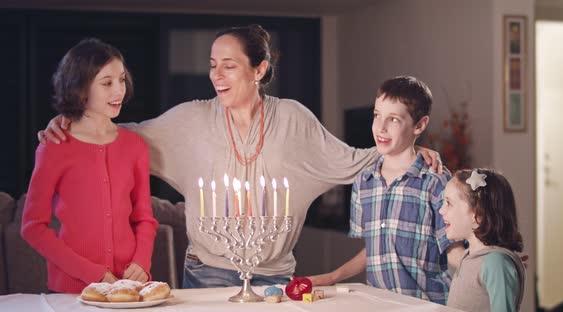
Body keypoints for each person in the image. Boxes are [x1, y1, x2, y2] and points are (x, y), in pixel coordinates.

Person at [37, 25, 443, 289]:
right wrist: (68, 123)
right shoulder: (190, 120)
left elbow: (355, 161)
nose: (216, 75)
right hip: (205, 273)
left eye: (228, 66)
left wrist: (406, 148)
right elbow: (115, 134)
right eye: (213, 66)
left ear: (259, 69)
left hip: (275, 278)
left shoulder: (293, 120)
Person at [307, 76, 465, 304]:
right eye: (377, 115)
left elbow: (454, 249)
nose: (380, 127)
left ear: (419, 125)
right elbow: (376, 250)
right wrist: (333, 276)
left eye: (393, 119)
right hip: (380, 304)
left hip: (427, 305)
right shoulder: (364, 181)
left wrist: (489, 264)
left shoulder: (435, 181)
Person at [22, 38, 159, 293]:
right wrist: (90, 272)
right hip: (74, 289)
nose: (118, 90)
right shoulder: (54, 147)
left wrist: (141, 261)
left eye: (121, 79)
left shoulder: (135, 146)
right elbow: (33, 227)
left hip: (129, 286)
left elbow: (144, 219)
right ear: (80, 88)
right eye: (107, 83)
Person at [439, 169, 525, 311]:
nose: (441, 210)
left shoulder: (496, 263)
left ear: (478, 214)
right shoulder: (469, 257)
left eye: (449, 203)